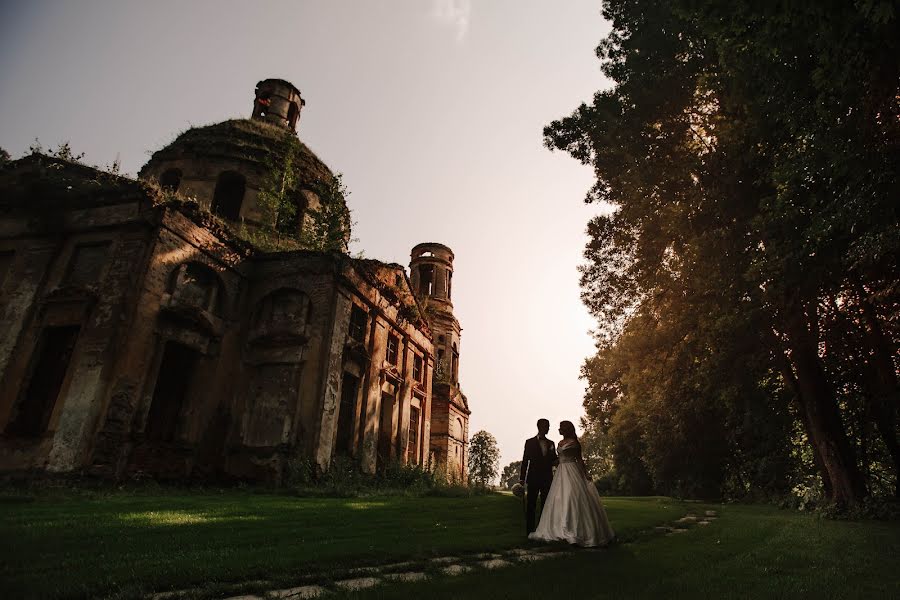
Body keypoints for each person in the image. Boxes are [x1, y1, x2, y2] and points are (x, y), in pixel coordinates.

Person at [528, 420, 615, 547]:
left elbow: (579, 459)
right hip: (561, 471)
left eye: (561, 428)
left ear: (566, 429)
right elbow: (556, 459)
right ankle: (559, 527)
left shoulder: (575, 443)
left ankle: (576, 529)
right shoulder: (558, 443)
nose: (558, 429)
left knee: (572, 497)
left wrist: (585, 473)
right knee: (559, 498)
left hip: (572, 470)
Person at [519, 418, 558, 534]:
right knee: (531, 504)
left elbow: (553, 460)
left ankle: (543, 530)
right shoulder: (529, 442)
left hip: (547, 478)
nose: (548, 428)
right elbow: (525, 460)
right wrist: (522, 478)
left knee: (546, 505)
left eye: (549, 426)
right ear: (539, 427)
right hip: (533, 478)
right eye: (547, 426)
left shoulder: (551, 443)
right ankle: (530, 531)